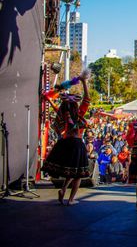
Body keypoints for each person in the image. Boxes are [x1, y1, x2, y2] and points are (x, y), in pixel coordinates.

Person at [42, 72, 91, 206]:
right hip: (76, 143)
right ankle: (70, 199)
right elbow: (87, 99)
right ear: (75, 104)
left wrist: (49, 99)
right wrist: (84, 82)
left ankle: (63, 189)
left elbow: (57, 111)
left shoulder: (62, 113)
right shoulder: (79, 114)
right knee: (78, 174)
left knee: (70, 170)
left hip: (64, 143)